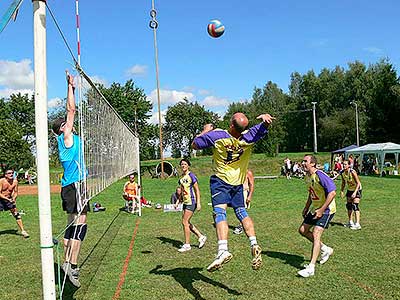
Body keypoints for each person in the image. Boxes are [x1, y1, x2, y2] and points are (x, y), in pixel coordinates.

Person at [192, 112, 274, 272]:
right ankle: (254, 243)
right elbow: (262, 128)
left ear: (230, 125)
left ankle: (222, 250)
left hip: (221, 181)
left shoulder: (218, 135)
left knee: (219, 212)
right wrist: (266, 122)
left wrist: (205, 130)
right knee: (241, 212)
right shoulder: (249, 137)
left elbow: (195, 144)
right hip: (238, 183)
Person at [52, 71, 88, 288]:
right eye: (66, 123)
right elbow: (71, 109)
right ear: (61, 129)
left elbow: (71, 113)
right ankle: (71, 265)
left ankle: (67, 261)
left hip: (70, 186)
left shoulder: (69, 138)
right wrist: (71, 87)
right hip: (75, 186)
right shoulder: (65, 138)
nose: (69, 122)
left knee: (71, 226)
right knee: (80, 225)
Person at [298, 155, 336, 278]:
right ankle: (325, 249)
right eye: (303, 161)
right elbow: (311, 193)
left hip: (327, 210)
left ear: (313, 164)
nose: (303, 163)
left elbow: (332, 192)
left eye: (305, 161)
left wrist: (322, 209)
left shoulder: (320, 175)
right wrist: (306, 207)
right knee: (303, 230)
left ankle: (311, 267)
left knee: (316, 233)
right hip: (316, 209)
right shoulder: (307, 177)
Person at [175, 158, 207, 252]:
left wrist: (198, 203)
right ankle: (201, 236)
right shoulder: (181, 178)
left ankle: (187, 245)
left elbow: (197, 190)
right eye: (182, 164)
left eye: (185, 164)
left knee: (185, 222)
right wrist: (178, 201)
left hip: (191, 202)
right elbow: (181, 191)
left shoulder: (191, 176)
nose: (183, 166)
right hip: (185, 202)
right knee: (186, 222)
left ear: (188, 165)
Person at [0, 169, 29, 238]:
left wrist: (14, 198)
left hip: (9, 199)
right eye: (9, 173)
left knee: (16, 214)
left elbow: (15, 192)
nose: (11, 174)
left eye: (12, 173)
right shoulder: (1, 181)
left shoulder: (15, 182)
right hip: (1, 199)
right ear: (5, 175)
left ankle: (23, 231)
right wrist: (8, 199)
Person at [340, 160, 362, 230]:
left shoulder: (352, 172)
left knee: (355, 206)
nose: (344, 166)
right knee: (349, 206)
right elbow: (343, 183)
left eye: (345, 164)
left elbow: (358, 183)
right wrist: (342, 191)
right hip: (350, 189)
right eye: (343, 164)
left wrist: (355, 192)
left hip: (357, 189)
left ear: (349, 165)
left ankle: (358, 224)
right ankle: (350, 222)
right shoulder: (343, 173)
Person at [233, 170, 254, 234]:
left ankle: (241, 226)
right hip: (237, 192)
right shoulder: (237, 172)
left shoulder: (248, 173)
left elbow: (251, 185)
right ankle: (242, 225)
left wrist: (249, 196)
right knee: (238, 209)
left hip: (244, 192)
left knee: (242, 210)